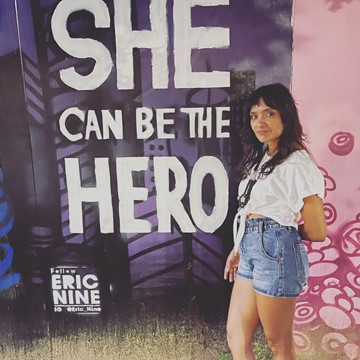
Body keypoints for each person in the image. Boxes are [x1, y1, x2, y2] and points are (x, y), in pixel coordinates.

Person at [224, 83, 327, 360]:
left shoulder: (297, 162)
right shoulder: (261, 157)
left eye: (269, 113)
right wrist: (239, 249)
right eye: (254, 115)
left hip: (275, 251)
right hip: (249, 250)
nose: (260, 122)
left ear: (286, 116)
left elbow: (317, 231)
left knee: (277, 343)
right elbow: (253, 209)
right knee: (237, 335)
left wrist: (276, 233)